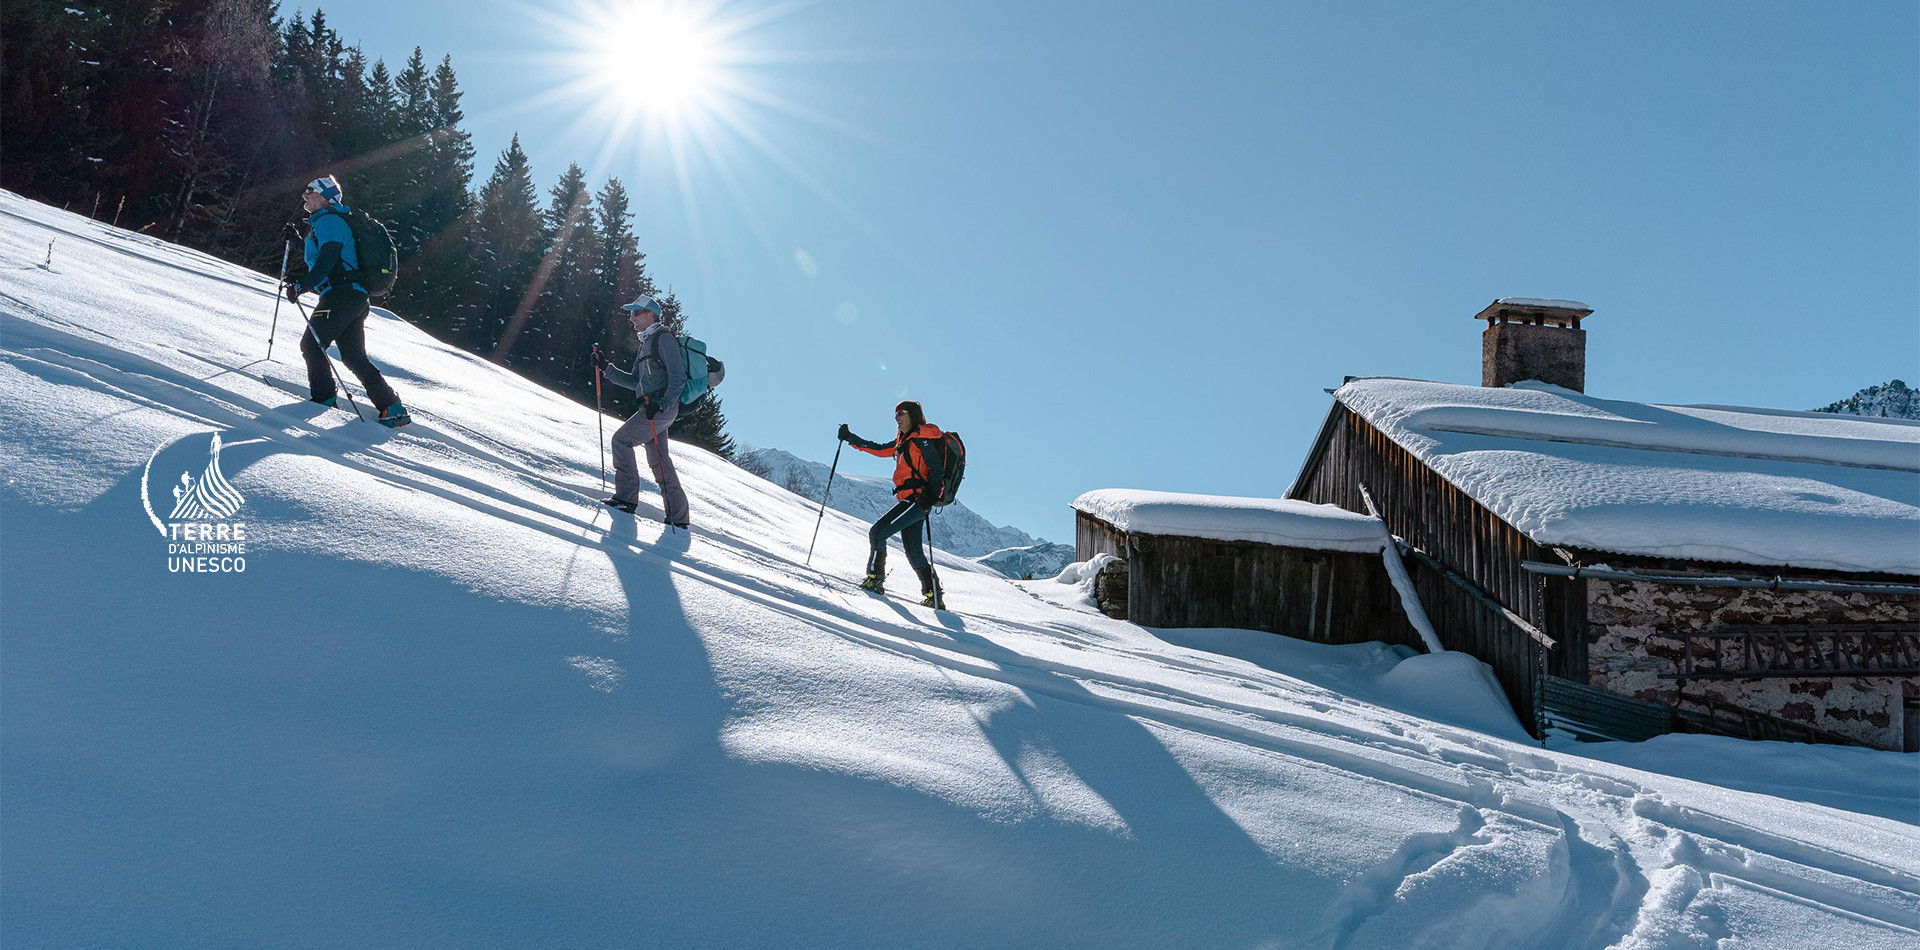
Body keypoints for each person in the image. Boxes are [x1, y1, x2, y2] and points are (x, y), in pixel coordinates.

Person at [285, 175, 409, 428]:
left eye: (311, 191)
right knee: (353, 357)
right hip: (353, 297)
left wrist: (303, 285)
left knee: (312, 344)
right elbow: (328, 256)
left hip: (341, 296)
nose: (304, 195)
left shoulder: (329, 220)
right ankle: (392, 407)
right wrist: (298, 242)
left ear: (327, 197)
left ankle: (324, 397)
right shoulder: (328, 222)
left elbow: (329, 258)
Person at [593, 294, 690, 528]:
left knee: (621, 440)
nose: (631, 317)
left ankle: (626, 500)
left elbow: (678, 378)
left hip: (659, 408)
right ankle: (679, 518)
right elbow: (635, 381)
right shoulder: (646, 343)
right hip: (652, 407)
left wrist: (662, 404)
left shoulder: (663, 339)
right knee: (659, 459)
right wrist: (606, 368)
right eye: (630, 313)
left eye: (636, 313)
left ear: (651, 315)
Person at [839, 401, 945, 606]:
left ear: (912, 415)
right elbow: (878, 449)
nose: (896, 417)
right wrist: (850, 438)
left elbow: (937, 469)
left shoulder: (922, 439)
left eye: (900, 413)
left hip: (916, 499)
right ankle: (934, 596)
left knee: (877, 532)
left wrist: (930, 498)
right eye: (895, 414)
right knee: (914, 551)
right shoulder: (903, 441)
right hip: (911, 499)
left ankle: (875, 580)